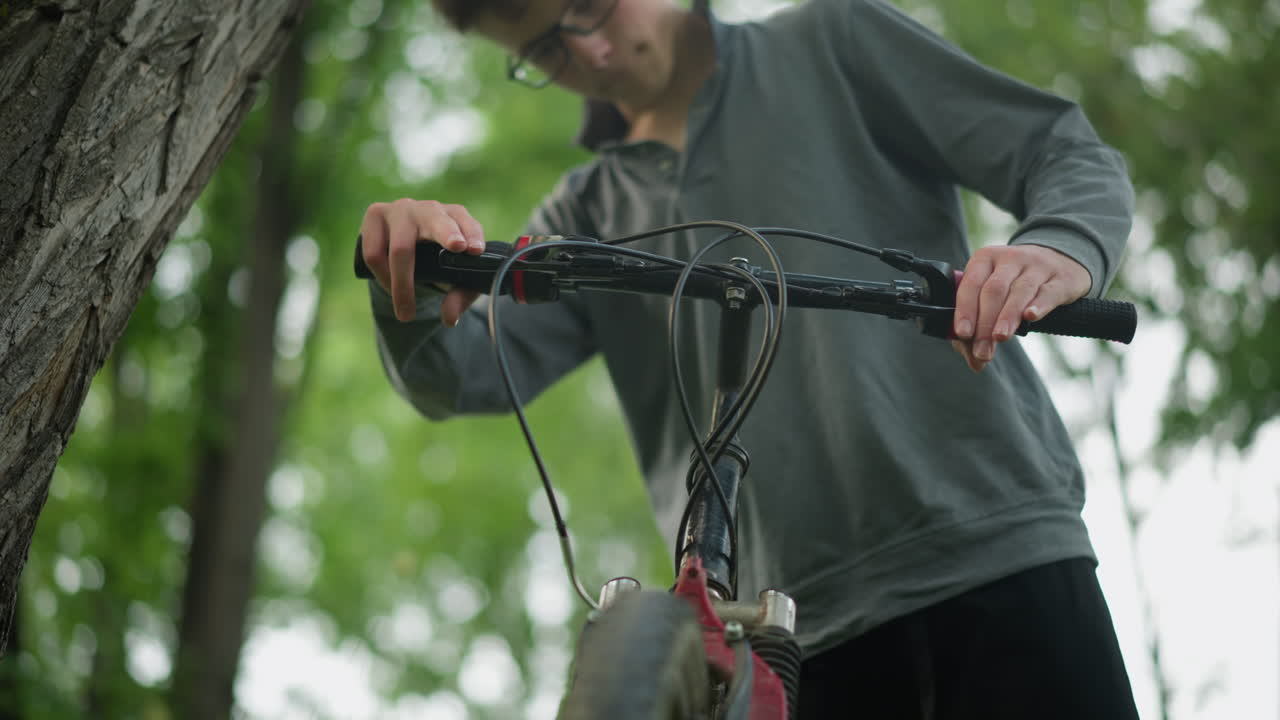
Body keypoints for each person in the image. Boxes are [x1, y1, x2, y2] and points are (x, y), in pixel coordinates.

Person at [359, 0, 1142, 717]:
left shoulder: (833, 43)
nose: (590, 52)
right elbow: (461, 370)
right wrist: (413, 277)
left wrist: (1057, 249)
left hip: (1002, 558)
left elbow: (1059, 150)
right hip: (788, 638)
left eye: (590, 5)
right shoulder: (582, 217)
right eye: (544, 48)